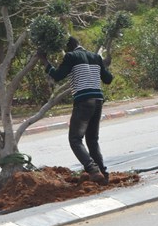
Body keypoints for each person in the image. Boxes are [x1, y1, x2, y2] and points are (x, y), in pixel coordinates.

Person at [40, 36, 113, 185]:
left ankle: (92, 170)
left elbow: (58, 75)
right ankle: (103, 174)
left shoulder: (70, 56)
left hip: (84, 101)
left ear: (68, 48)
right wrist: (103, 65)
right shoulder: (96, 57)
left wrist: (44, 60)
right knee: (92, 140)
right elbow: (108, 79)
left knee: (75, 139)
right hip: (98, 100)